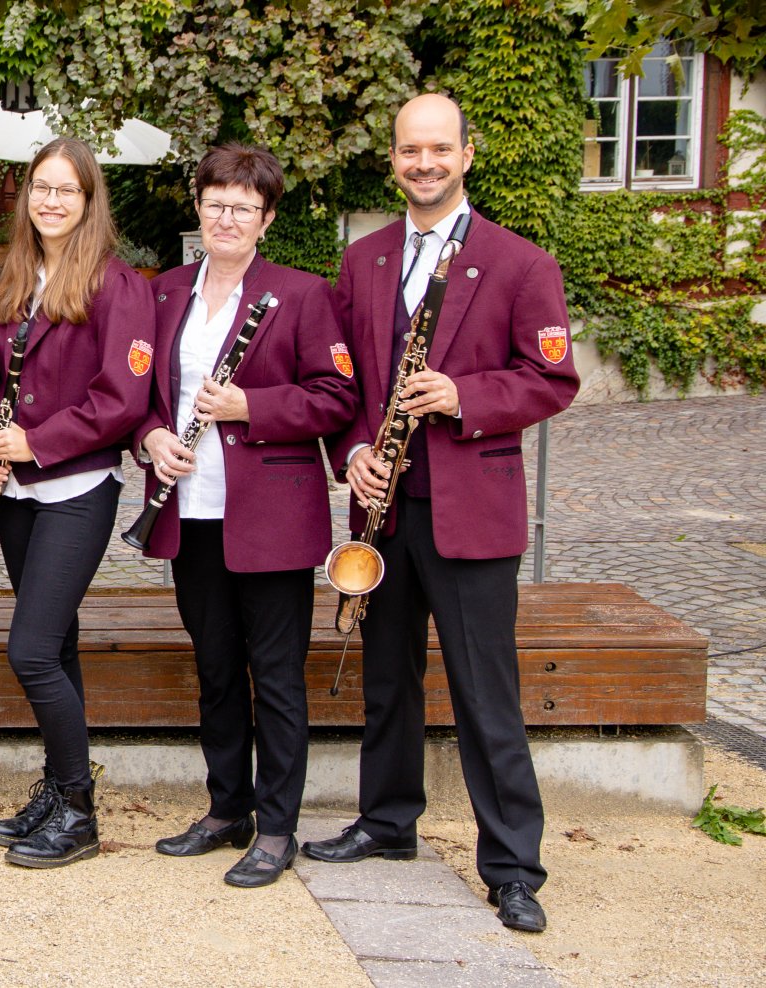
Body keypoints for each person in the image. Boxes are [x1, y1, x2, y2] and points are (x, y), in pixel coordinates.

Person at [303, 94, 577, 932]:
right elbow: (343, 383)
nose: (423, 163)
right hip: (385, 505)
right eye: (409, 150)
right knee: (388, 679)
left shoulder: (520, 263)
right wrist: (353, 452)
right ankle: (388, 823)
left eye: (438, 149)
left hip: (471, 508)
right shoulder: (367, 259)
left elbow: (551, 380)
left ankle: (513, 866)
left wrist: (464, 394)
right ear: (393, 157)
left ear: (467, 154)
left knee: (484, 689)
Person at [133, 143, 358, 887]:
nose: (227, 217)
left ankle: (278, 825)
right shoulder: (164, 292)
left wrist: (251, 405)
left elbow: (337, 398)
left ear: (266, 218)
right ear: (197, 206)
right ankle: (226, 809)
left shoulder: (302, 293)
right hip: (190, 511)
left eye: (243, 207)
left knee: (277, 676)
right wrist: (152, 437)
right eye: (215, 202)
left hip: (271, 519)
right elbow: (139, 401)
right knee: (217, 671)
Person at [0, 138, 155, 868]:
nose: (50, 201)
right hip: (15, 492)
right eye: (41, 188)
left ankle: (79, 807)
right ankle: (56, 785)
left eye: (66, 191)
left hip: (76, 488)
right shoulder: (18, 276)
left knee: (32, 649)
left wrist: (34, 442)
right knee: (61, 645)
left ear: (88, 201)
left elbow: (120, 400)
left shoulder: (118, 283)